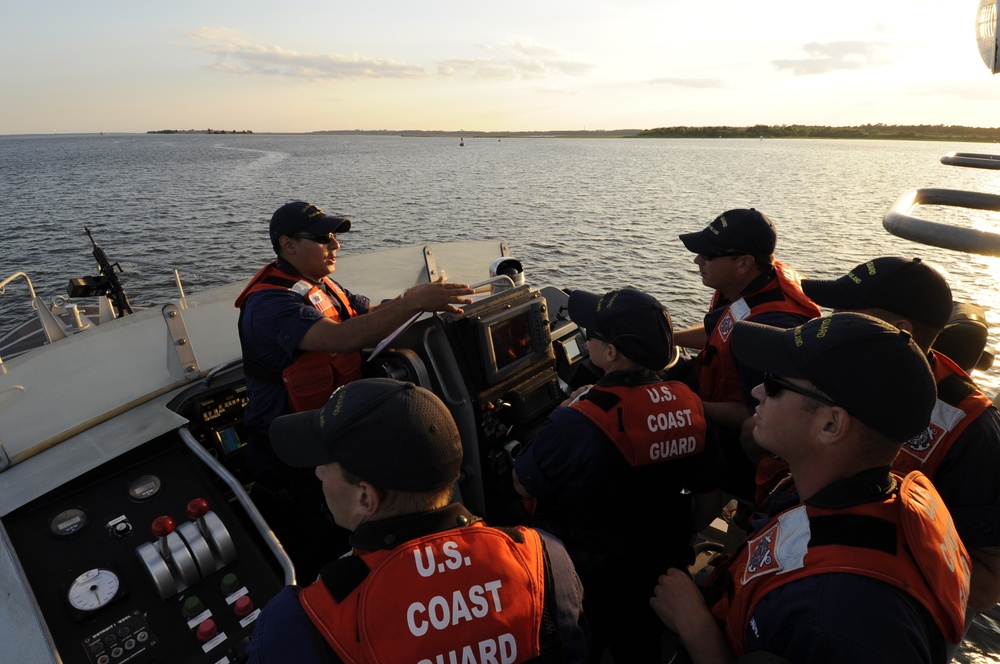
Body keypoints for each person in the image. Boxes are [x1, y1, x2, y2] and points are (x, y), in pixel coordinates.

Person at [650, 313, 971, 664]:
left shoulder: (843, 619)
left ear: (831, 425)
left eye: (774, 383)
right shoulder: (836, 492)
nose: (757, 391)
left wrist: (695, 625)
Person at [247, 378, 589, 664]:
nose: (318, 473)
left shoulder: (302, 621)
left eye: (326, 465)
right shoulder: (545, 558)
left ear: (365, 497)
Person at [235, 201, 474, 578]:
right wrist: (414, 303)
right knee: (315, 544)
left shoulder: (322, 285)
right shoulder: (269, 303)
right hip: (293, 451)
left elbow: (364, 315)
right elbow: (343, 338)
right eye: (322, 237)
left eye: (333, 236)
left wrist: (408, 301)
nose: (335, 245)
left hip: (335, 428)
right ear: (287, 245)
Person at [512, 288, 725, 663]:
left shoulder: (577, 420)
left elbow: (521, 482)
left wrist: (566, 409)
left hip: (589, 579)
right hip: (659, 572)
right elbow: (709, 504)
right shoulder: (691, 405)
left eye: (590, 334)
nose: (586, 338)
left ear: (610, 353)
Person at [800, 256, 1000, 644]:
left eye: (844, 313)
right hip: (806, 572)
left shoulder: (971, 432)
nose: (829, 322)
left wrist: (862, 543)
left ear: (898, 331)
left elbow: (985, 586)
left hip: (880, 618)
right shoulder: (835, 370)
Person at [673, 209, 820, 503]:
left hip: (737, 446)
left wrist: (682, 407)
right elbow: (719, 333)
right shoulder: (755, 284)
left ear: (744, 263)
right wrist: (668, 338)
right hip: (711, 384)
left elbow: (757, 416)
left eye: (708, 255)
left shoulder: (771, 330)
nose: (697, 260)